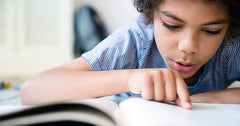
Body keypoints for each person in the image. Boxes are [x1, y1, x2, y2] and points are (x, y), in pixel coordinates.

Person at [20, 0, 240, 110]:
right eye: (172, 25)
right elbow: (32, 90)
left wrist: (210, 99)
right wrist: (130, 78)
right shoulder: (135, 41)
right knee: (96, 48)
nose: (188, 46)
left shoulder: (230, 44)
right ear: (150, 15)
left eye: (211, 31)